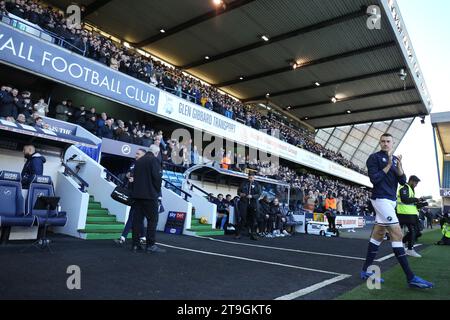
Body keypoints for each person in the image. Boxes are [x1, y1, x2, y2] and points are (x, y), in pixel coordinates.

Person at [361, 133, 433, 289]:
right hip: (380, 199)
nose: (386, 143)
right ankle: (411, 277)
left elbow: (402, 181)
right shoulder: (374, 158)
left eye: (388, 141)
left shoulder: (395, 160)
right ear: (380, 143)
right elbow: (374, 179)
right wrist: (387, 166)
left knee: (378, 235)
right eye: (383, 141)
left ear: (392, 143)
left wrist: (399, 167)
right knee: (398, 234)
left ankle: (365, 270)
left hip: (390, 201)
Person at [130, 145, 165, 253]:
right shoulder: (154, 160)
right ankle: (150, 245)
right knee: (152, 220)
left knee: (137, 221)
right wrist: (157, 190)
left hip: (137, 195)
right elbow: (157, 178)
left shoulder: (139, 161)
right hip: (150, 196)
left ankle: (135, 245)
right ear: (156, 153)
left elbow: (134, 177)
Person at [114, 149, 147, 246]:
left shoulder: (145, 166)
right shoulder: (134, 164)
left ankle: (122, 238)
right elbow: (128, 176)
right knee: (138, 217)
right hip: (133, 194)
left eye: (138, 154)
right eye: (136, 153)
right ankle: (143, 237)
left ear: (143, 156)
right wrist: (127, 176)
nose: (136, 155)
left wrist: (135, 180)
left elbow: (146, 182)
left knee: (131, 217)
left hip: (140, 196)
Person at [396, 175, 428, 258]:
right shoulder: (404, 187)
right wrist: (417, 199)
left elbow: (413, 204)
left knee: (417, 232)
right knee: (414, 231)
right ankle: (410, 249)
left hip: (411, 214)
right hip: (404, 213)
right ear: (411, 181)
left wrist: (422, 204)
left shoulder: (411, 190)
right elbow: (405, 200)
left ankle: (403, 242)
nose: (416, 184)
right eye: (415, 182)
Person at [236, 172, 261, 240]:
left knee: (253, 220)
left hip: (253, 204)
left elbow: (259, 194)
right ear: (248, 177)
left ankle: (253, 234)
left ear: (254, 177)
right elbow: (238, 192)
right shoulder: (243, 183)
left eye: (251, 177)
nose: (250, 178)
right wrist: (241, 194)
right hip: (244, 203)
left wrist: (252, 196)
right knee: (243, 219)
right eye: (249, 177)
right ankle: (239, 234)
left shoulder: (257, 184)